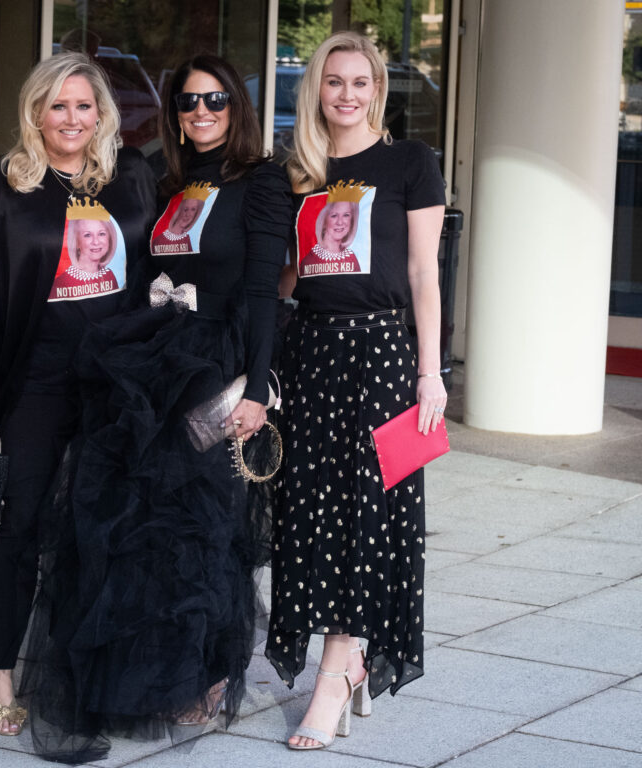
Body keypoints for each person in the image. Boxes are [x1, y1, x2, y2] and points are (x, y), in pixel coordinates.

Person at [19, 54, 292, 762]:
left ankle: (205, 674)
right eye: (187, 103)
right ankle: (145, 677)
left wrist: (257, 389)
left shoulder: (260, 179)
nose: (200, 113)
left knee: (204, 532)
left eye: (215, 101)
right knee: (141, 535)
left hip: (211, 369)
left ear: (238, 107)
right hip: (150, 365)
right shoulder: (167, 180)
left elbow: (264, 292)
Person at [0, 52, 156, 738]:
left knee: (106, 527)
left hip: (116, 378)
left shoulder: (130, 179)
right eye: (57, 105)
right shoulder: (3, 187)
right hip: (38, 376)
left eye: (84, 105)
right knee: (25, 525)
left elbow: (159, 269)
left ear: (102, 114)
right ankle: (2, 672)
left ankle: (86, 669)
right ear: (35, 112)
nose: (71, 118)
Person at [265, 31, 447, 751]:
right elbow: (288, 275)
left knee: (367, 518)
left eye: (359, 83)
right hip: (311, 352)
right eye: (333, 83)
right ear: (317, 90)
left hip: (381, 353)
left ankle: (335, 674)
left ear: (377, 88)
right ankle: (351, 661)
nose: (345, 95)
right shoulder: (299, 169)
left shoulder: (410, 162)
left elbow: (425, 275)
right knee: (310, 514)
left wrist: (430, 373)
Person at [48, 212, 121, 300]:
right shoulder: (61, 282)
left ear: (110, 239)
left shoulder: (109, 275)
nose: (96, 242)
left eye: (101, 234)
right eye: (87, 235)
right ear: (77, 242)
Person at [299, 198, 360, 274]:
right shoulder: (309, 261)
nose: (340, 222)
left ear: (352, 221)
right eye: (334, 216)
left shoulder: (352, 258)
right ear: (323, 221)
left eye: (346, 215)